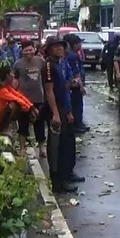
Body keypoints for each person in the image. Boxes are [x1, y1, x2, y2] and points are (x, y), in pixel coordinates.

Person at [42, 36, 80, 193]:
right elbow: (49, 91)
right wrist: (56, 114)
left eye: (61, 46)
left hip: (64, 107)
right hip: (55, 109)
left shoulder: (61, 64)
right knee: (57, 147)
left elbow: (65, 89)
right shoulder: (49, 66)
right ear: (49, 49)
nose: (59, 49)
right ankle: (58, 181)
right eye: (56, 46)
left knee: (68, 143)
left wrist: (69, 111)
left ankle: (67, 174)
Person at [13, 40, 48, 157]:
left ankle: (42, 148)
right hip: (23, 99)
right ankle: (22, 148)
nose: (28, 52)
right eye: (26, 50)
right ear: (22, 51)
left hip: (38, 98)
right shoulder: (17, 64)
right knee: (23, 124)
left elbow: (45, 78)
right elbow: (15, 80)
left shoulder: (41, 62)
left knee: (39, 123)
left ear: (34, 49)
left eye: (30, 50)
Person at [0, 65, 37, 136]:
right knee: (15, 104)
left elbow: (19, 95)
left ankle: (15, 128)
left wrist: (32, 107)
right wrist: (29, 109)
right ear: (7, 75)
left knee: (20, 104)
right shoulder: (0, 89)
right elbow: (16, 99)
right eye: (12, 73)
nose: (13, 76)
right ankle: (4, 128)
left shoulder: (5, 86)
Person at [65, 34, 88, 134]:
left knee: (77, 104)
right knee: (77, 105)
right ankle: (77, 124)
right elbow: (76, 72)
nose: (80, 45)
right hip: (75, 85)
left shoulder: (71, 54)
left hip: (74, 84)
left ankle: (79, 123)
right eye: (79, 43)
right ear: (74, 44)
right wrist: (81, 85)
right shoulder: (73, 56)